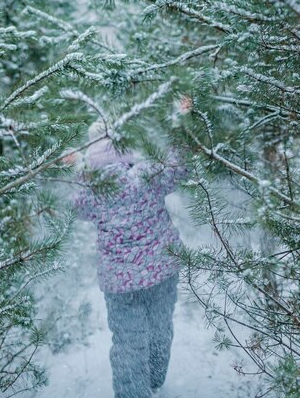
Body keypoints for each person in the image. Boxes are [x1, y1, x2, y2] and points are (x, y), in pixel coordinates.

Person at [70, 122, 187, 398]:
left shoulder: (93, 192)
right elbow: (179, 166)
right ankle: (156, 380)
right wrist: (180, 125)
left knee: (128, 343)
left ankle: (134, 392)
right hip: (162, 271)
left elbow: (75, 206)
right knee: (160, 330)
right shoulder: (146, 176)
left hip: (120, 284)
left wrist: (79, 170)